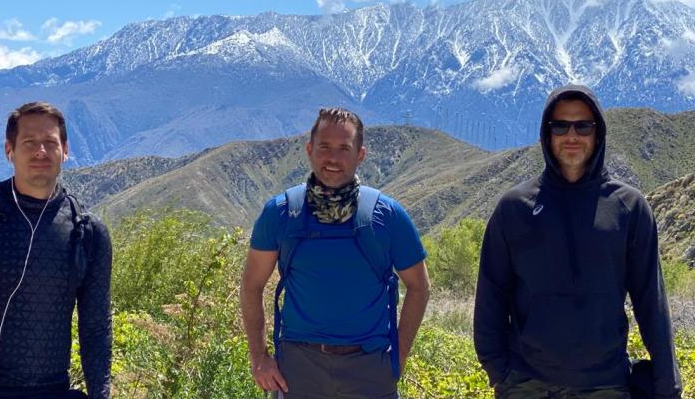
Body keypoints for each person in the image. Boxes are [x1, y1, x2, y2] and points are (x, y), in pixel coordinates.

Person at [474, 85, 682, 398]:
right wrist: (497, 371)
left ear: (598, 133)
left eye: (583, 126)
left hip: (606, 384)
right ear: (547, 134)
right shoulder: (514, 208)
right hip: (526, 384)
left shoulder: (629, 207)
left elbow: (651, 301)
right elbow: (491, 295)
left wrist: (668, 382)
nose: (572, 136)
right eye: (561, 126)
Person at [240, 107, 430, 398]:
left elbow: (419, 286)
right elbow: (251, 286)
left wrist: (398, 357)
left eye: (344, 148)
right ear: (309, 150)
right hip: (298, 370)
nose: (333, 158)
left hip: (370, 368)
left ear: (361, 154)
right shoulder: (280, 214)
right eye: (325, 146)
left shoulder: (388, 216)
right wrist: (259, 359)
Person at [0, 102, 112, 399]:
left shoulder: (87, 232)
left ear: (65, 150)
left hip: (53, 390)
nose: (41, 151)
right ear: (8, 150)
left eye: (50, 143)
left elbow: (96, 327)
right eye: (29, 142)